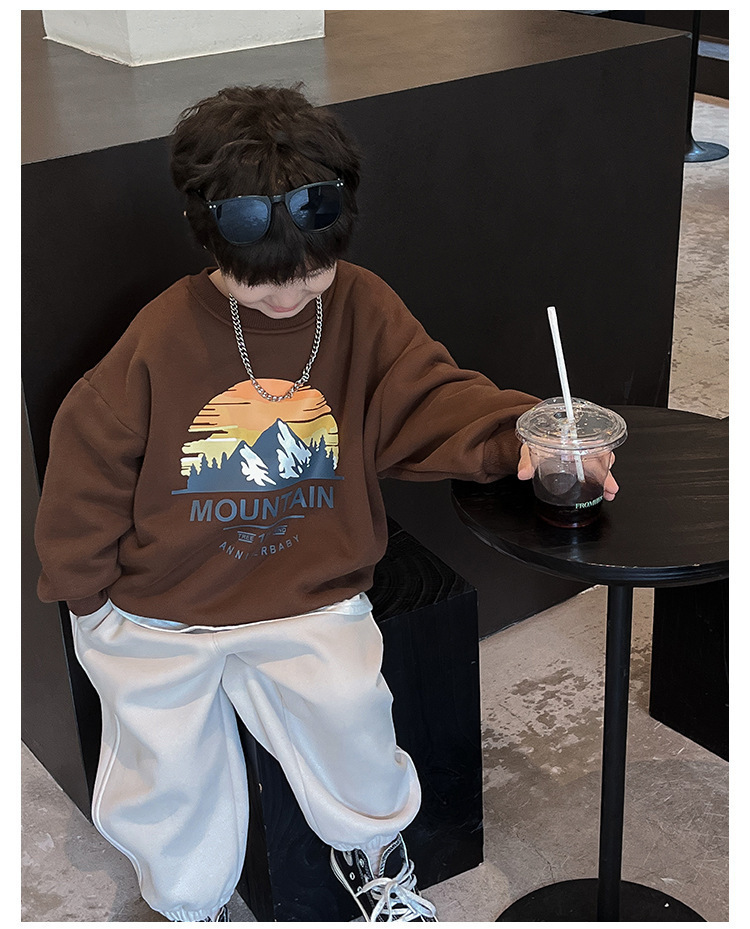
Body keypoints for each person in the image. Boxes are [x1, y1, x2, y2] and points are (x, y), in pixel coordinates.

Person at [34, 84, 617, 924]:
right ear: (209, 239)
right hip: (161, 604)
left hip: (308, 588)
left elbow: (429, 394)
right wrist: (85, 595)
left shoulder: (360, 306)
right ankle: (189, 903)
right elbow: (89, 457)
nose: (288, 297)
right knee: (165, 770)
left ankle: (375, 855)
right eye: (261, 280)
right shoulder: (160, 338)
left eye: (311, 274)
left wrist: (523, 436)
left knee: (355, 718)